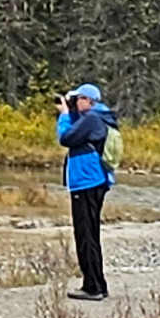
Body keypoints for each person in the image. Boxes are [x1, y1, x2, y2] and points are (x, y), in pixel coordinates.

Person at [57, 84, 116, 300]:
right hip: (94, 181)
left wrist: (64, 115)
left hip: (86, 181)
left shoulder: (91, 119)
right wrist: (72, 112)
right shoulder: (98, 117)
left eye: (79, 98)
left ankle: (92, 287)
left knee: (85, 235)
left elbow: (66, 138)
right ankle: (97, 283)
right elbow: (77, 133)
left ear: (90, 100)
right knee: (91, 234)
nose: (76, 102)